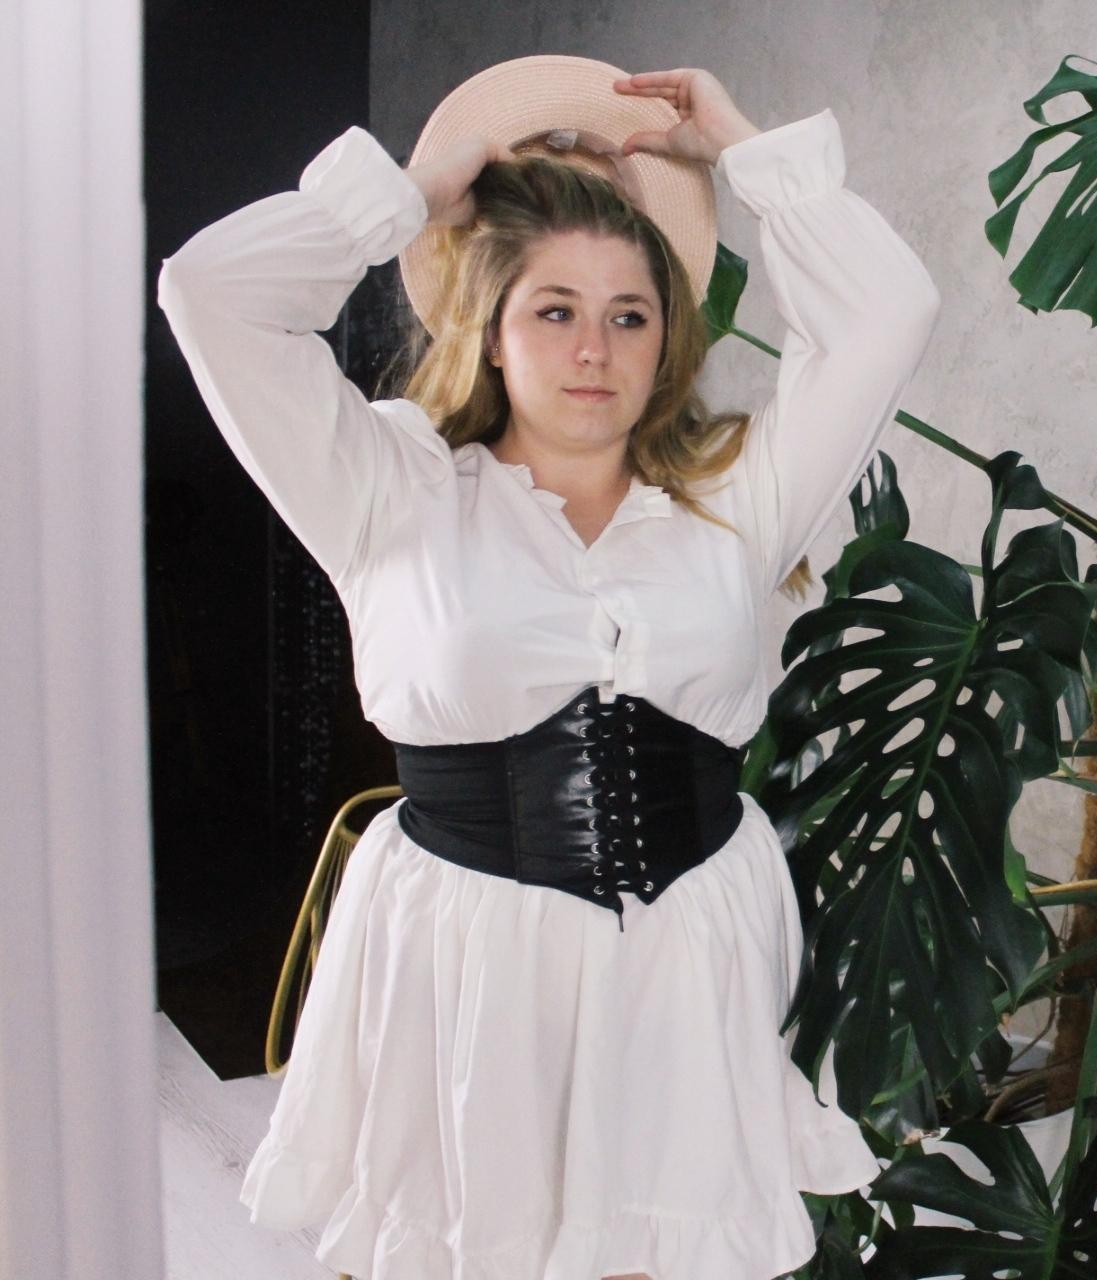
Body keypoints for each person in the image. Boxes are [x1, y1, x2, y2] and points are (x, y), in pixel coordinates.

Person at [156, 55, 941, 1280]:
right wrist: (411, 193)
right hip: (465, 953)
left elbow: (887, 313)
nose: (595, 349)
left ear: (667, 337)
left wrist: (741, 147)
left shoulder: (743, 493)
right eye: (554, 309)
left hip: (688, 940)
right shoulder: (390, 486)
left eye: (630, 313)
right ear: (489, 328)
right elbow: (210, 293)